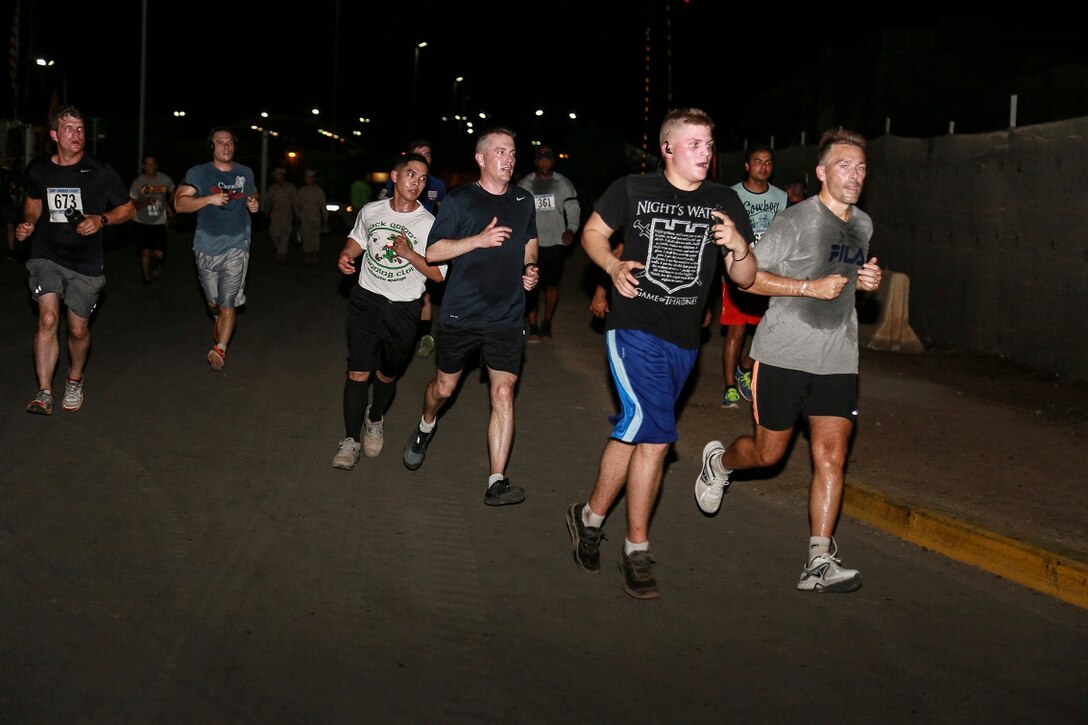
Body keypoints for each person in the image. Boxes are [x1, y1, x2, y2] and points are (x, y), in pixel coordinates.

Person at [565, 108, 757, 599]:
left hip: (684, 339)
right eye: (694, 144)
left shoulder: (725, 199)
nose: (705, 153)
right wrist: (611, 265)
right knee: (656, 432)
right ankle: (637, 550)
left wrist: (738, 246)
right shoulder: (633, 188)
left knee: (634, 431)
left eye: (709, 145)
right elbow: (591, 233)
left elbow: (744, 277)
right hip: (633, 328)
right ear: (667, 148)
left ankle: (588, 519)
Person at [695, 128, 882, 594]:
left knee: (832, 456)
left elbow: (842, 278)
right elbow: (749, 279)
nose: (854, 175)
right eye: (844, 165)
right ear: (821, 171)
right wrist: (806, 288)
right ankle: (720, 465)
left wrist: (865, 280)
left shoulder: (864, 224)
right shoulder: (795, 221)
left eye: (860, 167)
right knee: (768, 453)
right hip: (782, 354)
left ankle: (818, 559)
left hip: (838, 356)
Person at [400, 126, 540, 506]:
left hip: (507, 317)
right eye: (500, 152)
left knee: (503, 392)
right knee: (443, 390)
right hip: (462, 315)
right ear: (481, 158)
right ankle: (426, 425)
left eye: (512, 153)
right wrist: (478, 239)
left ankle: (497, 480)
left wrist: (530, 267)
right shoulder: (460, 201)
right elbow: (434, 252)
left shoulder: (524, 200)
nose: (509, 159)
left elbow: (529, 239)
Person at [16, 104, 135, 414]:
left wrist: (102, 220)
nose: (77, 134)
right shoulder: (39, 170)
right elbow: (33, 202)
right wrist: (28, 222)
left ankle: (74, 377)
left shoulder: (100, 171)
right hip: (46, 254)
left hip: (85, 261)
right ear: (55, 134)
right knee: (48, 318)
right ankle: (44, 392)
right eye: (69, 128)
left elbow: (128, 208)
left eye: (81, 129)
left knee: (78, 330)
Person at [331, 153, 445, 470]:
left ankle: (376, 417)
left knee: (387, 373)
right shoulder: (371, 211)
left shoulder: (428, 224)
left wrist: (408, 253)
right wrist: (346, 253)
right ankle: (350, 440)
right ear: (394, 176)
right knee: (358, 371)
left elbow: (437, 275)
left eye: (423, 178)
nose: (417, 183)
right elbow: (358, 239)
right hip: (367, 299)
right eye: (411, 174)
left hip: (405, 307)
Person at [173, 127, 260, 372]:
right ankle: (216, 316)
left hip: (237, 245)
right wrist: (208, 200)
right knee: (213, 302)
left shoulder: (245, 172)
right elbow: (179, 203)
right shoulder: (199, 173)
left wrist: (255, 203)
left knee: (228, 302)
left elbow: (254, 195)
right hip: (206, 246)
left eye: (230, 142)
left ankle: (219, 348)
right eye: (220, 142)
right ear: (212, 147)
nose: (226, 146)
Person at [721, 143, 787, 408]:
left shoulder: (780, 197)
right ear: (747, 165)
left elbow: (784, 235)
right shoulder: (731, 195)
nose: (763, 167)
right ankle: (729, 386)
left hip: (767, 273)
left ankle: (744, 368)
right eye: (758, 161)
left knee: (767, 329)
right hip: (737, 271)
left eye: (768, 162)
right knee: (736, 331)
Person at [379, 139, 447, 357]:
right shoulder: (397, 180)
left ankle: (424, 338)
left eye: (427, 154)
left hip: (425, 240)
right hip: (398, 238)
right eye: (419, 154)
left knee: (424, 294)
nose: (424, 158)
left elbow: (443, 211)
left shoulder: (436, 185)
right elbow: (382, 203)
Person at [518, 145, 580, 342]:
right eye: (541, 159)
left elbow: (573, 208)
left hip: (555, 242)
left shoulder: (563, 184)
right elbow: (515, 212)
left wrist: (571, 229)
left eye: (548, 159)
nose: (545, 162)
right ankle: (533, 325)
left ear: (553, 161)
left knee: (552, 285)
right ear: (536, 161)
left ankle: (547, 323)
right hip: (531, 244)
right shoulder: (525, 184)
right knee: (531, 285)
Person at [129, 155, 175, 285]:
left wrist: (169, 204)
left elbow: (173, 191)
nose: (150, 166)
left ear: (156, 165)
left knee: (159, 254)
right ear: (143, 166)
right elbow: (132, 206)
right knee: (145, 251)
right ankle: (146, 279)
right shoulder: (138, 182)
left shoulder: (165, 179)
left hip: (159, 221)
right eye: (147, 164)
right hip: (142, 221)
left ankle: (154, 263)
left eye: (152, 163)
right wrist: (145, 203)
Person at [262, 167, 298, 264]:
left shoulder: (290, 188)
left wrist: (297, 214)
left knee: (285, 235)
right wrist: (266, 211)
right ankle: (280, 250)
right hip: (276, 216)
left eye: (277, 175)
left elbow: (295, 202)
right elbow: (268, 201)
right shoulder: (273, 188)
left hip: (287, 216)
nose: (276, 178)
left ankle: (282, 254)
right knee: (274, 234)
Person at [296, 169, 326, 265]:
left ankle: (314, 254)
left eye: (310, 178)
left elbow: (322, 205)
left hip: (315, 217)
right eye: (307, 178)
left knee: (315, 236)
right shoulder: (301, 191)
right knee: (306, 236)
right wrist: (297, 216)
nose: (308, 180)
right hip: (305, 217)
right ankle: (307, 254)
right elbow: (297, 205)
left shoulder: (319, 191)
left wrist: (325, 218)